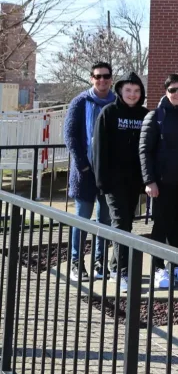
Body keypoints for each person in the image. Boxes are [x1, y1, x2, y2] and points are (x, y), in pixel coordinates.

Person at [140, 74, 178, 288]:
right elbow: (144, 151)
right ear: (166, 92)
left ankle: (177, 265)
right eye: (172, 90)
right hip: (162, 183)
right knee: (161, 226)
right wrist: (149, 180)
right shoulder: (155, 116)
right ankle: (158, 268)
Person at [92, 72, 147, 290]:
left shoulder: (145, 115)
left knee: (127, 222)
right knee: (120, 223)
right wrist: (101, 181)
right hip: (113, 180)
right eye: (128, 90)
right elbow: (99, 149)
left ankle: (115, 265)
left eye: (136, 91)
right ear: (120, 91)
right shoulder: (109, 113)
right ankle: (124, 272)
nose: (132, 95)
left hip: (135, 180)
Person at [65, 61, 117, 280]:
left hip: (108, 173)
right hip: (85, 173)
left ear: (111, 78)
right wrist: (83, 165)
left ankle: (99, 262)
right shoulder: (80, 102)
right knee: (82, 220)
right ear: (91, 78)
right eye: (98, 76)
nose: (102, 80)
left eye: (106, 76)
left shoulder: (117, 102)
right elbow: (70, 136)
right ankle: (76, 262)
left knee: (104, 221)